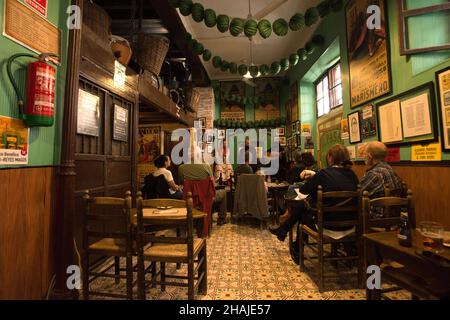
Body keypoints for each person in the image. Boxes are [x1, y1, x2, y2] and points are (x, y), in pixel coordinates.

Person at [269, 145, 359, 263]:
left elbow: (303, 191)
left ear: (330, 158)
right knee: (303, 208)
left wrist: (315, 177)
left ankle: (295, 246)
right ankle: (285, 234)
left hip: (326, 226)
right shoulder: (353, 175)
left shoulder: (323, 173)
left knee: (302, 210)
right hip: (349, 226)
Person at [179, 156, 228, 226]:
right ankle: (222, 218)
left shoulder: (181, 168)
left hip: (190, 198)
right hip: (206, 198)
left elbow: (181, 183)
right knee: (223, 192)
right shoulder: (206, 167)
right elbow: (212, 184)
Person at [360, 141, 403, 217]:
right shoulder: (390, 169)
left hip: (377, 218)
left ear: (370, 156)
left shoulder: (374, 174)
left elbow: (358, 193)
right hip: (395, 217)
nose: (364, 156)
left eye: (365, 154)